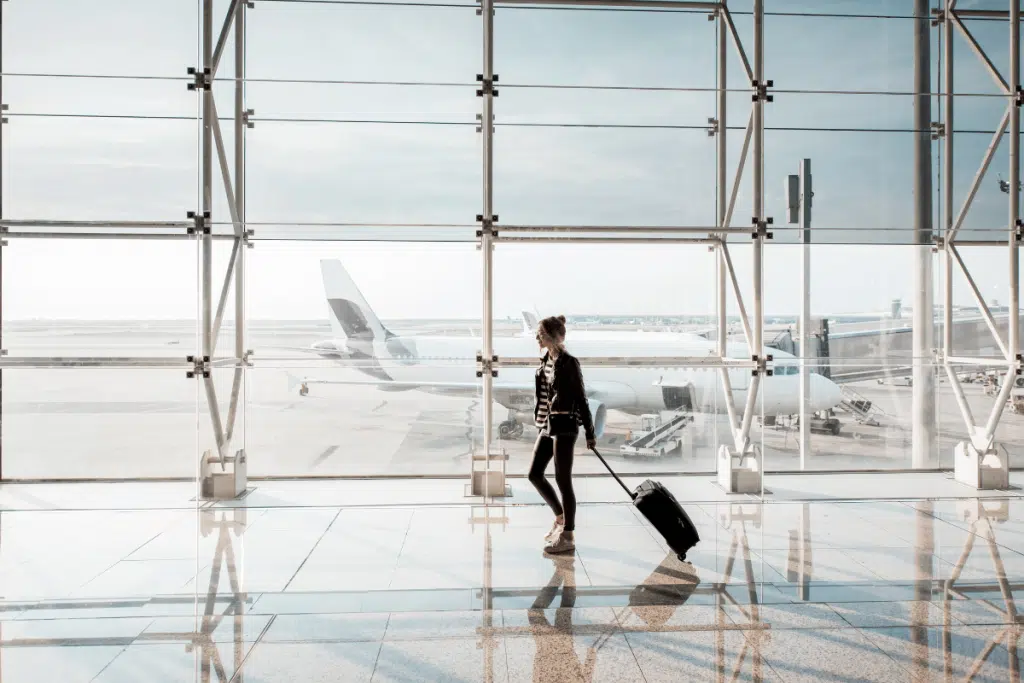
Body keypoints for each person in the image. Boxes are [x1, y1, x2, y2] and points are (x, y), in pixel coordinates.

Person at [529, 315, 596, 555]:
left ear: (550, 336)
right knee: (534, 474)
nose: (537, 337)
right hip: (548, 425)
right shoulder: (546, 359)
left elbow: (581, 398)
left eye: (540, 333)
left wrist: (590, 432)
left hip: (565, 425)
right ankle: (560, 518)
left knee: (562, 480)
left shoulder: (569, 362)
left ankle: (568, 536)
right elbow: (545, 397)